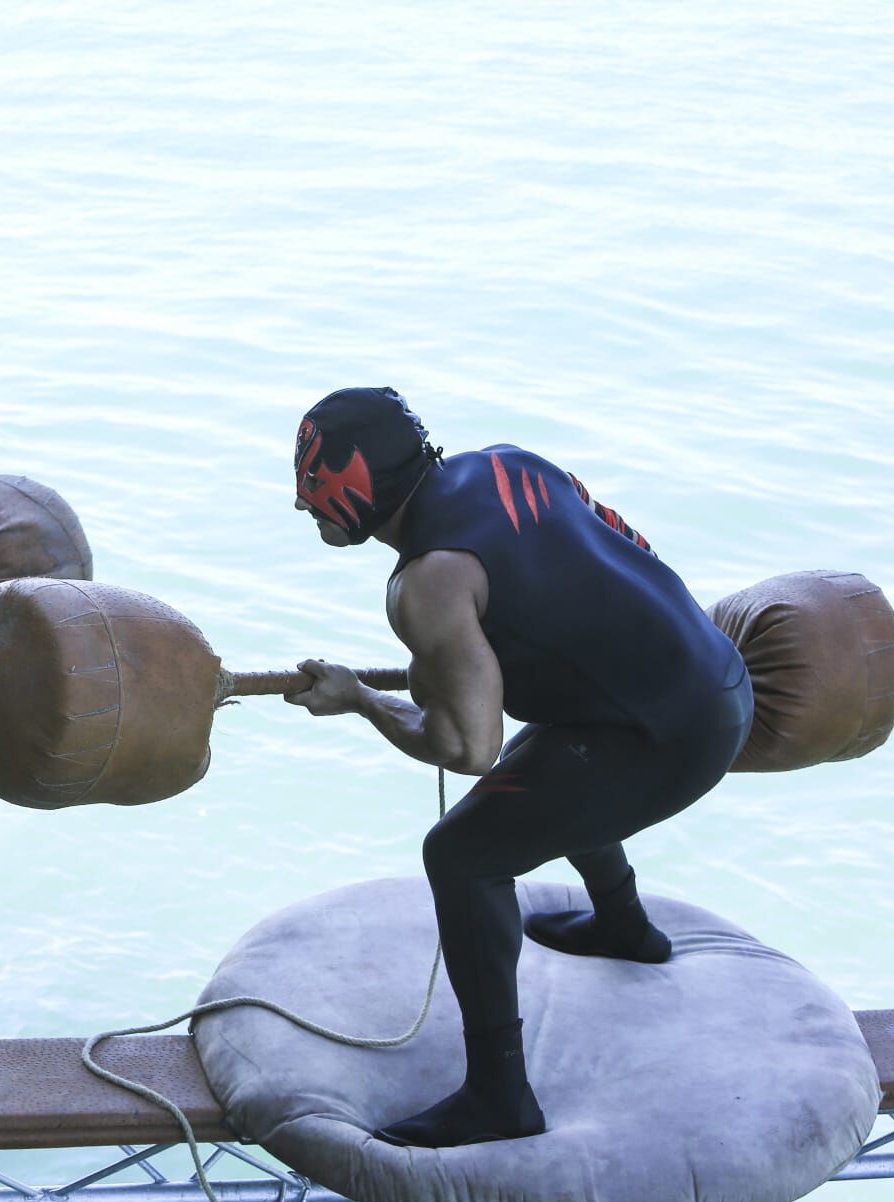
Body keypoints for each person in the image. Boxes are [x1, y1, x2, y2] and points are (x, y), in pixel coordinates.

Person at [284, 387, 751, 1149]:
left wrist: (360, 699)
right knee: (554, 761)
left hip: (664, 738)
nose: (303, 505)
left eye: (312, 486)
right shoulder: (508, 464)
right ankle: (627, 928)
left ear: (358, 484)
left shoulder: (429, 583)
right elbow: (612, 569)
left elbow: (467, 749)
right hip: (717, 680)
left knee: (462, 854)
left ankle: (500, 1095)